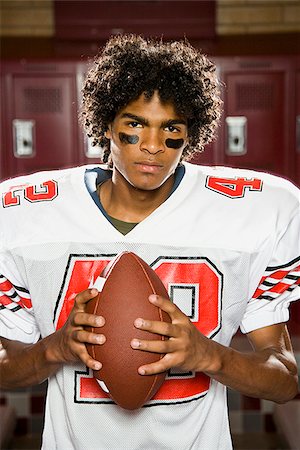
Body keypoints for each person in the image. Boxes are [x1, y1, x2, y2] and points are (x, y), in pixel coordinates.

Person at [0, 34, 299, 450]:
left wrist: (209, 356)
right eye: (135, 125)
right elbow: (6, 367)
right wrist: (54, 349)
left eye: (170, 129)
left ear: (191, 133)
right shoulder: (24, 213)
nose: (153, 146)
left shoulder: (258, 212)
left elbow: (285, 380)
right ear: (106, 124)